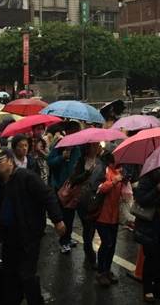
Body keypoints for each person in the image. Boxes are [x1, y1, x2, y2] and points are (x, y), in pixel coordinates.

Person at [0, 148, 65, 305]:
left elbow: (48, 196)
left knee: (27, 275)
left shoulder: (27, 177)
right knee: (10, 274)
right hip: (8, 236)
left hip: (28, 236)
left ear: (10, 161)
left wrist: (58, 220)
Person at [134, 170, 160, 303]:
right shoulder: (145, 179)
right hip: (148, 226)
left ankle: (158, 288)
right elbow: (141, 200)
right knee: (150, 258)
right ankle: (147, 290)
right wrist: (156, 191)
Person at [90, 150, 124, 287]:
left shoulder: (118, 171)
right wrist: (113, 182)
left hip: (114, 216)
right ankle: (101, 272)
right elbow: (99, 189)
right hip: (102, 215)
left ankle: (107, 270)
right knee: (106, 243)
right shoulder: (103, 170)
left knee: (112, 245)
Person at [46, 121, 82, 254]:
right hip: (60, 187)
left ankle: (68, 237)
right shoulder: (60, 144)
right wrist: (62, 157)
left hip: (73, 186)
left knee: (71, 214)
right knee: (64, 215)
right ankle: (63, 242)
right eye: (76, 131)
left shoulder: (78, 147)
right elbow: (50, 161)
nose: (78, 133)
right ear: (69, 132)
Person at [74, 142, 102, 268]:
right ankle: (89, 254)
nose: (97, 147)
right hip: (83, 200)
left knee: (92, 228)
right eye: (94, 145)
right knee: (87, 228)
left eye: (98, 145)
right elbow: (74, 179)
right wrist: (88, 173)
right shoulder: (81, 160)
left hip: (97, 200)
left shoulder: (101, 161)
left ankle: (89, 253)